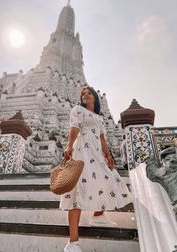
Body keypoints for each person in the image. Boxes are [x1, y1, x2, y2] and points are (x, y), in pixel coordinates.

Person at [60, 85, 132, 252]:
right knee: (78, 191)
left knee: (108, 179)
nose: (85, 95)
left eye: (88, 93)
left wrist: (108, 155)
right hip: (82, 151)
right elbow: (74, 129)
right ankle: (72, 243)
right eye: (83, 94)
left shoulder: (99, 117)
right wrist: (69, 147)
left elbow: (102, 138)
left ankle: (98, 216)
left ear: (95, 97)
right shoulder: (78, 109)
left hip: (97, 153)